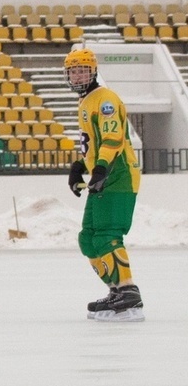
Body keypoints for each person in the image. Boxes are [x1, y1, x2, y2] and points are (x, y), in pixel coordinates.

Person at [64, 47, 144, 321]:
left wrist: (100, 170)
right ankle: (115, 291)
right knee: (88, 238)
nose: (78, 75)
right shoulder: (85, 102)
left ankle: (128, 291)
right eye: (73, 71)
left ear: (93, 71)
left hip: (118, 174)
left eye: (82, 70)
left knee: (108, 234)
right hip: (103, 173)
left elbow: (112, 140)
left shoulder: (105, 99)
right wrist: (80, 168)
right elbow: (93, 145)